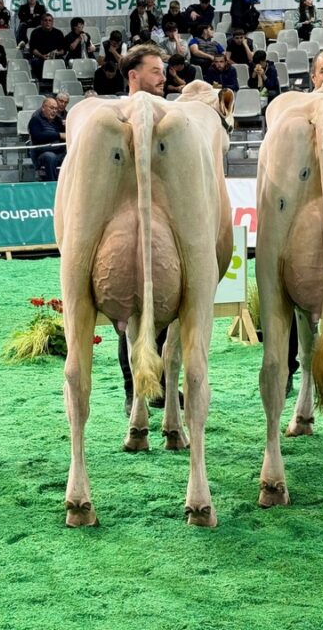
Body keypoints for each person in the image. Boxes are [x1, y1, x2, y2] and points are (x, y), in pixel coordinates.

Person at [116, 45, 171, 412]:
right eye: (154, 71)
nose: (162, 77)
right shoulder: (114, 117)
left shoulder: (171, 118)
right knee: (129, 314)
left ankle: (162, 385)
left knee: (166, 308)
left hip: (163, 224)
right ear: (133, 76)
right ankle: (132, 388)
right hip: (125, 224)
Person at [27, 96, 66, 181]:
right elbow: (38, 136)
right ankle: (51, 184)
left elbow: (66, 134)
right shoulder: (35, 120)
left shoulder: (57, 120)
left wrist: (67, 126)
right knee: (50, 156)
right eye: (51, 108)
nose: (54, 111)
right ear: (43, 108)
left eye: (56, 109)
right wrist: (58, 135)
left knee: (72, 153)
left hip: (58, 150)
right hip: (42, 152)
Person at [28, 13, 66, 80]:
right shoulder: (35, 33)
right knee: (35, 62)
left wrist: (57, 53)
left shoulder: (58, 33)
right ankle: (42, 81)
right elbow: (33, 49)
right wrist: (42, 56)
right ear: (41, 22)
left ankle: (57, 80)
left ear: (52, 22)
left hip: (55, 57)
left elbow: (63, 50)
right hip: (40, 57)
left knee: (62, 61)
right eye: (45, 20)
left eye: (50, 20)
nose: (47, 22)